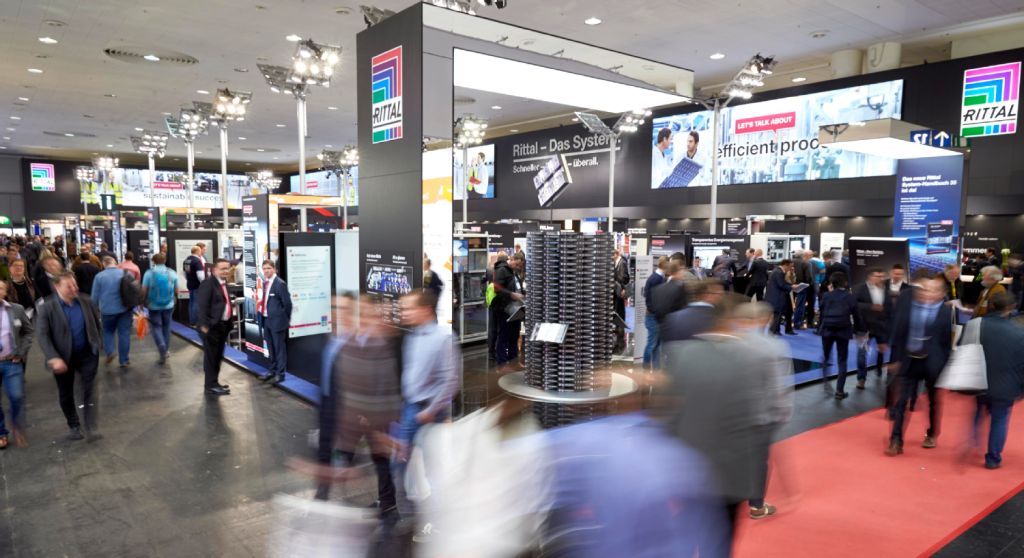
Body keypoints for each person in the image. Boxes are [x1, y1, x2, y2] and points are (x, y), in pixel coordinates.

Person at [661, 293, 762, 545]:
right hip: (729, 478)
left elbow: (666, 414)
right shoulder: (749, 361)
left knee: (684, 537)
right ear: (731, 322)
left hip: (686, 471)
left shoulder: (680, 354)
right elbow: (753, 423)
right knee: (718, 544)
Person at [312, 295, 402, 520]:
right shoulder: (336, 339)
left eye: (344, 308)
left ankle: (386, 501)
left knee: (377, 457)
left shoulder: (369, 341)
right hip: (336, 406)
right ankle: (323, 496)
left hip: (363, 413)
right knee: (335, 453)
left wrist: (366, 413)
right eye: (334, 307)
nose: (337, 312)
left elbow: (379, 380)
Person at [395, 291, 459, 538]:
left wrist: (431, 411)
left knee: (434, 470)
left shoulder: (444, 338)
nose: (404, 313)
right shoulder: (412, 337)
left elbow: (451, 380)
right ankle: (411, 518)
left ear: (426, 310)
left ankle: (439, 523)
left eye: (409, 308)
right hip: (410, 408)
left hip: (431, 413)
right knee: (399, 463)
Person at [733, 301, 793, 520]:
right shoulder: (773, 346)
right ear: (766, 319)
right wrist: (783, 411)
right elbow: (778, 385)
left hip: (734, 412)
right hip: (762, 414)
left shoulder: (731, 344)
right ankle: (756, 505)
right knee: (759, 460)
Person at [886, 275, 953, 456]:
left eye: (933, 290)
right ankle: (896, 440)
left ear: (941, 294)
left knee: (933, 401)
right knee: (901, 401)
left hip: (932, 363)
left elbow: (946, 343)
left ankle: (932, 433)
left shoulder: (946, 312)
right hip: (909, 360)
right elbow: (898, 332)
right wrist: (894, 359)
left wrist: (943, 366)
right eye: (925, 289)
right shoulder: (907, 304)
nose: (927, 293)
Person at [36, 272, 103, 441]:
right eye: (69, 286)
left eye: (75, 284)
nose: (74, 289)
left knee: (89, 390)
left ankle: (90, 426)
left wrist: (97, 344)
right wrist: (53, 357)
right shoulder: (47, 308)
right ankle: (74, 425)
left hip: (87, 355)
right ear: (57, 287)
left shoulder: (86, 301)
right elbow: (43, 335)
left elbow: (96, 324)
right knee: (66, 393)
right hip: (62, 358)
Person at [973, 292, 1024, 469]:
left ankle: (973, 441)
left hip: (979, 381)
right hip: (1006, 385)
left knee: (979, 410)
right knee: (999, 420)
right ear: (1010, 309)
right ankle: (993, 458)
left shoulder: (976, 325)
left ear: (991, 305)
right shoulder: (1019, 333)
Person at [819, 273, 866, 399]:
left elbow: (822, 311)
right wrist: (861, 331)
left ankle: (825, 384)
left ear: (831, 283)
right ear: (845, 283)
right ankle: (839, 391)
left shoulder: (826, 295)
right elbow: (857, 316)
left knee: (826, 357)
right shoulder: (850, 297)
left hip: (827, 330)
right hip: (843, 331)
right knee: (842, 360)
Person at [0, 281, 33, 449]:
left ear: (5, 292)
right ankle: (1, 433)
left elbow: (28, 331)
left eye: (0, 288)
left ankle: (17, 425)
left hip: (11, 361)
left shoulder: (16, 309)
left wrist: (20, 352)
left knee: (17, 396)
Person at [196, 259, 234, 396]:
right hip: (211, 328)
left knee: (218, 356)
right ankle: (210, 385)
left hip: (223, 326)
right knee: (211, 358)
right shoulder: (208, 284)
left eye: (227, 268)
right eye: (222, 269)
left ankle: (214, 382)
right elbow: (202, 307)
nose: (225, 271)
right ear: (214, 270)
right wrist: (205, 326)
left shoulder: (223, 283)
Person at [91, 256, 134, 368]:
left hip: (107, 310)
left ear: (104, 264)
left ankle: (110, 351)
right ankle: (124, 360)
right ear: (115, 263)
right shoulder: (126, 273)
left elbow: (94, 297)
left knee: (108, 332)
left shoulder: (99, 276)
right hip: (125, 309)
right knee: (124, 333)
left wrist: (93, 311)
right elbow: (133, 290)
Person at [854, 268, 889, 386]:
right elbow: (855, 304)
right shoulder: (860, 288)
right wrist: (871, 306)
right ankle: (861, 378)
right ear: (870, 277)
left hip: (881, 327)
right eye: (878, 276)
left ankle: (879, 369)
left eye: (882, 276)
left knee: (881, 351)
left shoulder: (886, 290)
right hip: (864, 328)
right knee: (861, 353)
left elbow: (889, 307)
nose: (881, 279)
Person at [258, 260, 292, 384]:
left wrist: (284, 319)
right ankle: (272, 371)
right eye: (264, 268)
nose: (266, 271)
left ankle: (280, 374)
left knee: (279, 349)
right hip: (266, 320)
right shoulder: (265, 283)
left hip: (277, 322)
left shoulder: (280, 284)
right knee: (270, 348)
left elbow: (287, 304)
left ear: (274, 269)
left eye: (269, 268)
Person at [140, 253, 177, 365]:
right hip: (169, 305)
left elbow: (144, 290)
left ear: (153, 261)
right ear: (165, 260)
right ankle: (166, 350)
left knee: (156, 327)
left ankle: (161, 347)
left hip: (153, 305)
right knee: (167, 326)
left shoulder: (149, 273)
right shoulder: (172, 272)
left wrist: (141, 302)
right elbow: (176, 290)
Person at [492, 252, 525, 368]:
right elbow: (497, 289)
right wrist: (511, 294)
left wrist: (523, 294)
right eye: (517, 264)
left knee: (514, 335)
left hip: (515, 309)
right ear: (512, 260)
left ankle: (513, 361)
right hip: (504, 309)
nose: (518, 267)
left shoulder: (513, 273)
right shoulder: (501, 270)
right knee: (504, 335)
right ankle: (502, 364)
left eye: (520, 266)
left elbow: (517, 287)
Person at [642, 256, 668, 369]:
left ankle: (656, 369)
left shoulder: (658, 278)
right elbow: (650, 300)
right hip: (653, 317)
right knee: (652, 345)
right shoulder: (656, 279)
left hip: (654, 316)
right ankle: (646, 368)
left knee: (656, 345)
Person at [651, 257, 688, 323]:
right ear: (678, 270)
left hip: (661, 325)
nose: (684, 272)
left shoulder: (657, 289)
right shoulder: (681, 289)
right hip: (676, 325)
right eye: (682, 270)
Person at [765, 259, 797, 335]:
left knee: (778, 314)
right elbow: (781, 284)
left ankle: (775, 331)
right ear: (785, 265)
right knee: (777, 314)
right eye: (790, 266)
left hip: (777, 296)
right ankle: (773, 332)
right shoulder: (778, 272)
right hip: (776, 296)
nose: (791, 268)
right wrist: (792, 287)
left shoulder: (778, 271)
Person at [613, 250, 630, 353]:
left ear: (616, 254)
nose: (611, 257)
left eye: (612, 255)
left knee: (619, 310)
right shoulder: (616, 262)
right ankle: (619, 328)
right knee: (618, 310)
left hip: (619, 291)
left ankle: (620, 341)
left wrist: (623, 288)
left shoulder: (622, 262)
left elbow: (625, 277)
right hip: (616, 291)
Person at [184, 246, 206, 326]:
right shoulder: (197, 261)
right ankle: (195, 322)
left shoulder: (187, 260)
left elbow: (185, 273)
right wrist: (204, 284)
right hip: (197, 285)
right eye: (200, 251)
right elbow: (200, 275)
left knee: (191, 302)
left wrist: (189, 279)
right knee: (196, 303)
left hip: (190, 283)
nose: (201, 253)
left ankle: (192, 320)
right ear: (197, 251)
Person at [793, 250, 814, 329]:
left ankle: (787, 321)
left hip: (790, 286)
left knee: (788, 304)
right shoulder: (806, 264)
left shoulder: (790, 262)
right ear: (803, 255)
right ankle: (797, 323)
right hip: (802, 286)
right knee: (800, 305)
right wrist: (809, 284)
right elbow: (809, 277)